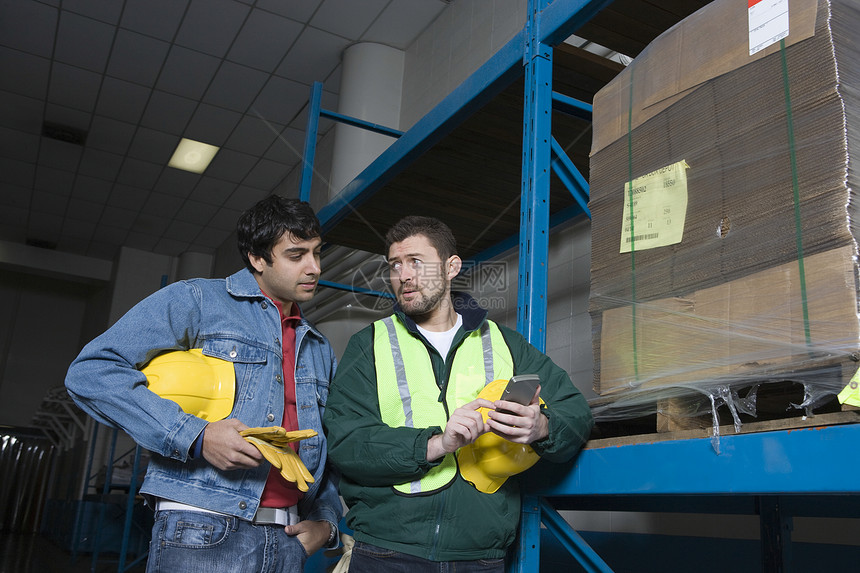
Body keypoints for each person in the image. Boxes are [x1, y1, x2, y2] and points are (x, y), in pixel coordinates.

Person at [65, 195, 341, 573]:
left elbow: (326, 444)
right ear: (257, 259)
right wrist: (197, 435)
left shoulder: (319, 347)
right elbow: (91, 372)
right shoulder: (199, 301)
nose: (314, 267)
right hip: (204, 527)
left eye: (316, 253)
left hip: (288, 538)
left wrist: (326, 522)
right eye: (296, 255)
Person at [323, 215, 594, 571]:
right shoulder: (370, 345)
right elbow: (347, 443)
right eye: (395, 265)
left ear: (451, 268)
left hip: (480, 557)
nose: (403, 275)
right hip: (388, 553)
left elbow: (576, 412)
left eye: (416, 262)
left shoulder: (504, 344)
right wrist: (437, 444)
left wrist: (541, 427)